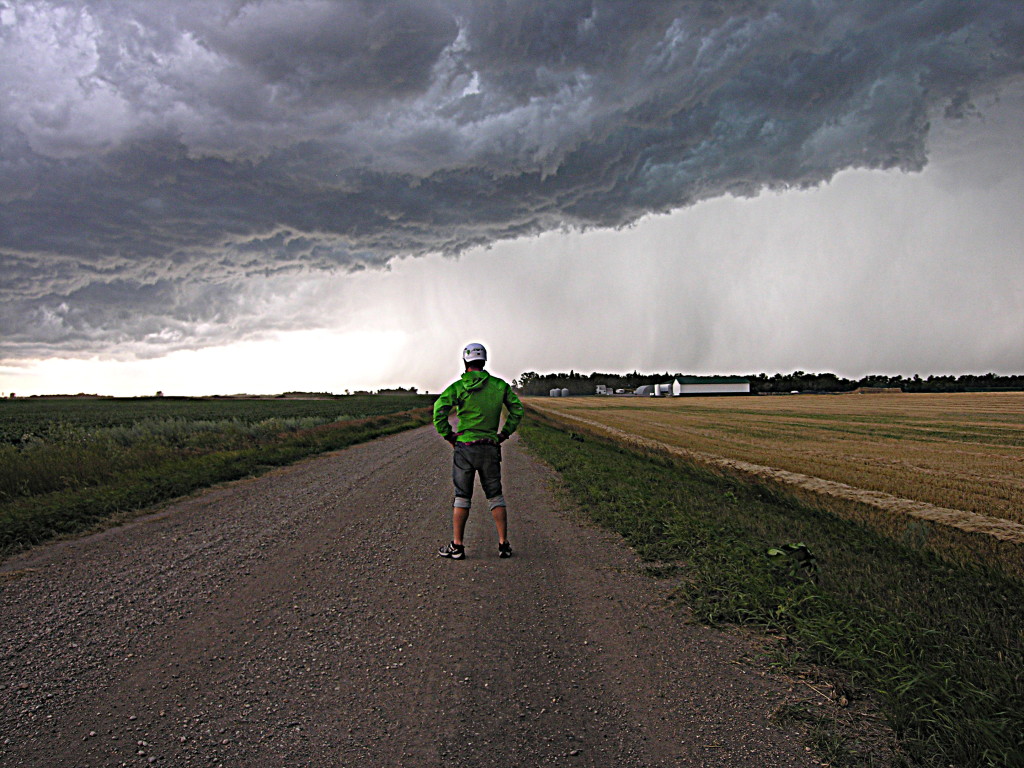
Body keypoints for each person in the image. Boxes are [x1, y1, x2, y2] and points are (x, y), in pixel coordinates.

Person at [433, 342, 524, 560]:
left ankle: (458, 547)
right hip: (490, 446)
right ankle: (503, 544)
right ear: (484, 361)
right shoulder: (499, 386)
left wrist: (449, 435)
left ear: (465, 362)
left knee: (462, 497)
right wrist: (504, 434)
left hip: (465, 447)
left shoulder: (457, 387)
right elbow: (517, 410)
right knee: (495, 496)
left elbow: (439, 410)